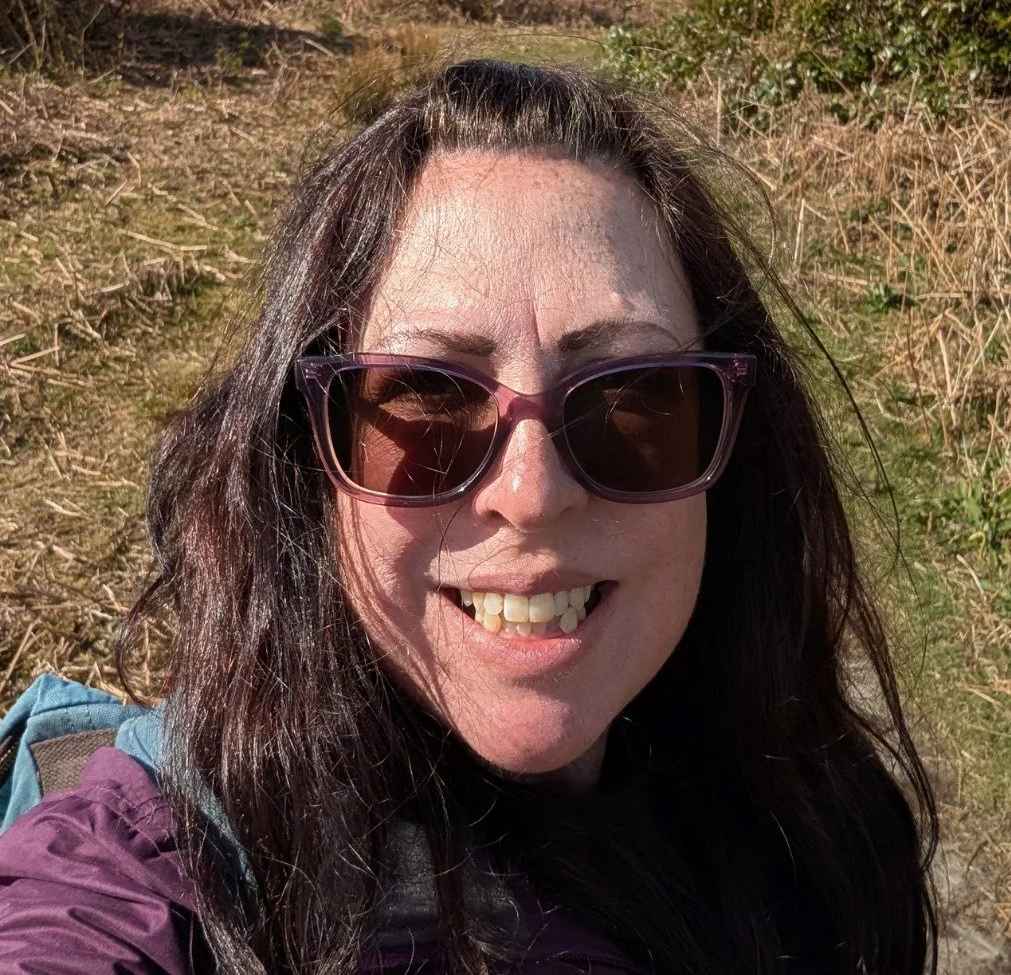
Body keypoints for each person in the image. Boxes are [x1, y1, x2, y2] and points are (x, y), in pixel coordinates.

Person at [0, 59, 937, 973]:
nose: (533, 494)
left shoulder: (809, 820)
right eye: (422, 397)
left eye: (634, 396)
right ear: (306, 458)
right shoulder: (159, 862)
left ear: (732, 450)